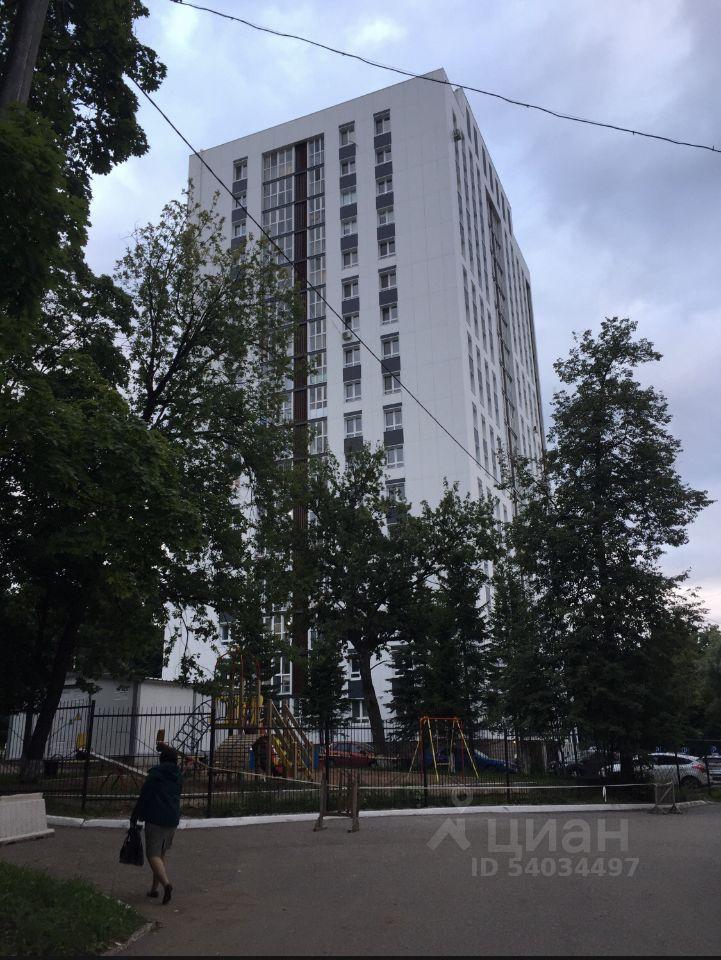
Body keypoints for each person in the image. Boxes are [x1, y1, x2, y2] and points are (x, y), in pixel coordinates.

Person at [130, 744, 183, 905]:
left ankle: (166, 884)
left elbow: (145, 795)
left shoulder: (155, 774)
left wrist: (135, 816)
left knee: (152, 854)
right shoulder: (179, 776)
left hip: (155, 818)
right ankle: (154, 889)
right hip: (172, 819)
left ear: (161, 759)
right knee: (160, 854)